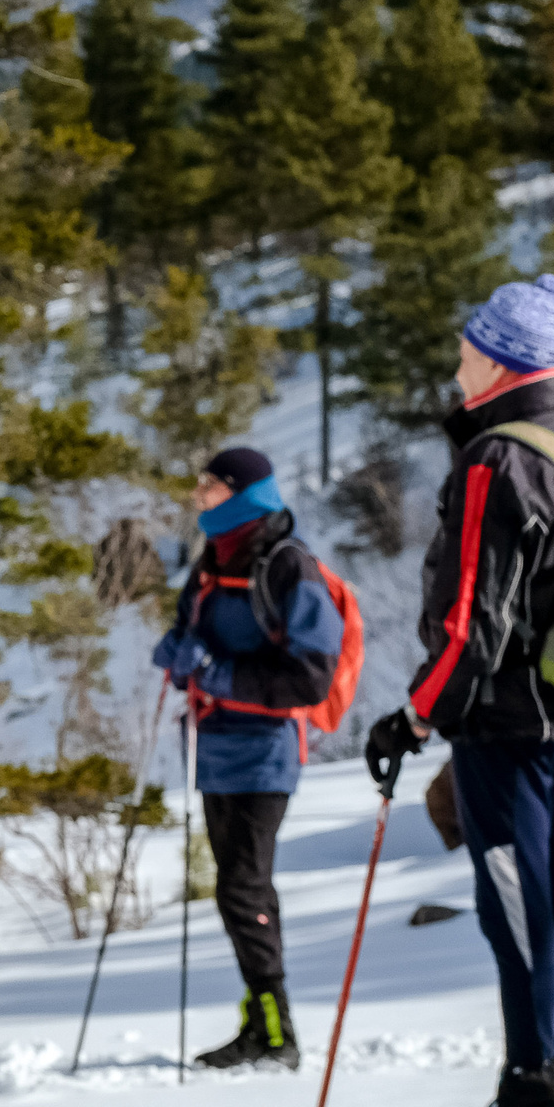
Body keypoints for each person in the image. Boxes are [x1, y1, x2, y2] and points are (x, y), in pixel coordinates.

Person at [364, 274, 554, 1107]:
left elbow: (472, 622)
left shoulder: (498, 461)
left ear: (501, 359)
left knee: (517, 912)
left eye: (469, 349)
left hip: (504, 728)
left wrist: (413, 716)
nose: (458, 365)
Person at [151, 447, 344, 1071]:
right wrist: (178, 651)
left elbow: (313, 678)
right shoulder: (216, 559)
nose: (198, 495)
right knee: (238, 890)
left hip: (265, 753)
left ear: (242, 493)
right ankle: (263, 1021)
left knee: (243, 887)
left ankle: (276, 1029)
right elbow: (190, 630)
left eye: (209, 485)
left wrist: (218, 673)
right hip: (213, 750)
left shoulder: (289, 566)